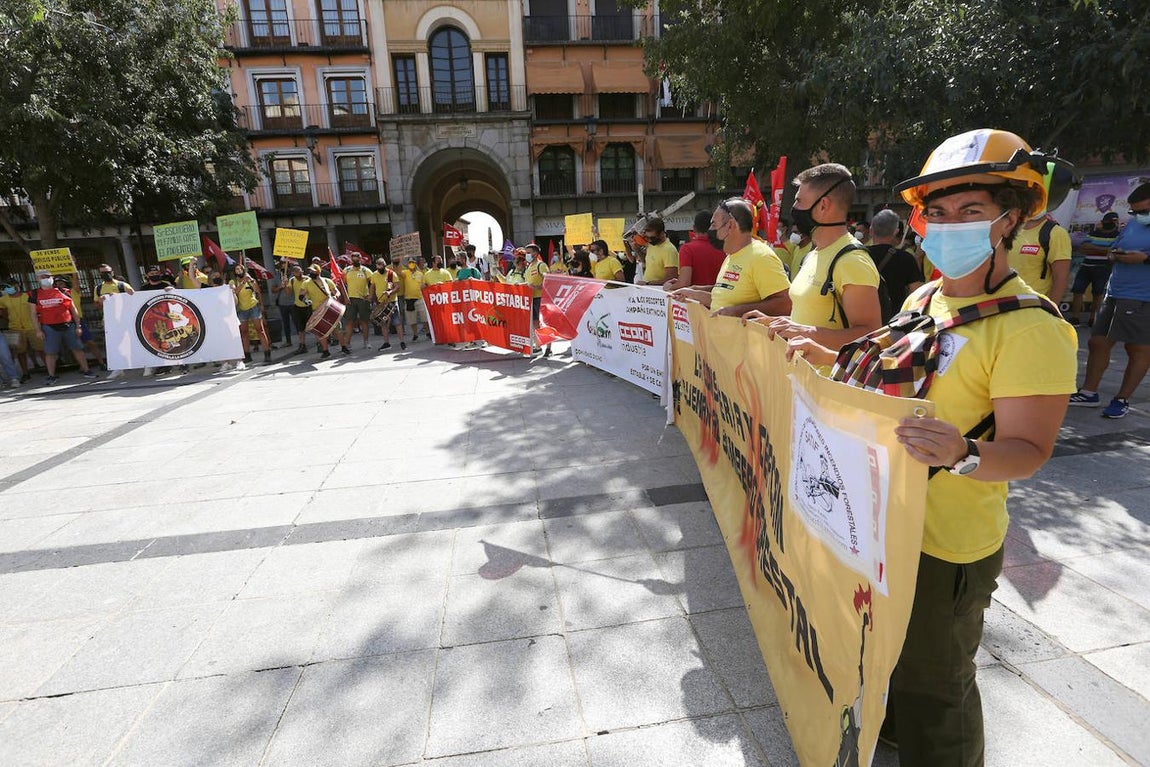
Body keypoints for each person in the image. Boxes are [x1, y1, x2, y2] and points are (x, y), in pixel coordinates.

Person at [782, 128, 1078, 765]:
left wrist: (962, 453)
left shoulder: (1032, 329)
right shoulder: (925, 295)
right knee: (891, 659)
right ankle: (893, 729)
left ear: (1013, 218)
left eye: (971, 212)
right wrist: (819, 354)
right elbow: (879, 359)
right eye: (937, 213)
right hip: (879, 520)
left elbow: (1029, 450)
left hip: (947, 541)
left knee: (940, 689)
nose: (949, 226)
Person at [762, 163, 882, 351]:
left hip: (828, 379)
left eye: (799, 201)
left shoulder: (852, 261)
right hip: (800, 377)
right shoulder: (813, 254)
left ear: (824, 205)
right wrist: (779, 322)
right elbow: (811, 318)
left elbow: (871, 336)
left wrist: (808, 333)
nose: (794, 208)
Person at [1068, 182, 1150, 418]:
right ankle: (1089, 392)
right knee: (1098, 342)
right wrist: (1115, 254)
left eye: (1143, 211)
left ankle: (1121, 400)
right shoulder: (1133, 223)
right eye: (1134, 211)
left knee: (1137, 348)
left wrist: (1143, 259)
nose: (1138, 216)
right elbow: (1116, 246)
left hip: (1143, 297)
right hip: (1115, 291)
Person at [671, 198, 791, 317]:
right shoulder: (731, 255)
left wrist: (738, 311)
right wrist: (692, 294)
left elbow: (785, 304)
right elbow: (723, 300)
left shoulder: (761, 256)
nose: (710, 230)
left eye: (713, 224)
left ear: (730, 225)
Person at [28, 269, 98, 385]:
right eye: (42, 277)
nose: (45, 279)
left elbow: (73, 310)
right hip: (49, 327)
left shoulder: (63, 291)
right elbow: (33, 314)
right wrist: (38, 330)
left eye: (47, 276)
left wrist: (78, 326)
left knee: (77, 349)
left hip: (68, 325)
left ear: (52, 278)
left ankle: (87, 371)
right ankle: (51, 375)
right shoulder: (34, 294)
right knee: (50, 353)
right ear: (38, 279)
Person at [867, 209, 925, 311]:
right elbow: (917, 294)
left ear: (871, 231)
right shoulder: (906, 258)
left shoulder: (860, 256)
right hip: (896, 319)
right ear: (896, 231)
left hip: (865, 319)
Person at [1006, 213, 1071, 302]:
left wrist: (1051, 311)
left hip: (1034, 307)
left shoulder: (1056, 233)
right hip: (1004, 305)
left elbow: (1061, 277)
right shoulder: (1006, 229)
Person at [1068, 212, 1118, 326]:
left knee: (1098, 293)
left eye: (1115, 221)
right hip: (1086, 266)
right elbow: (1083, 248)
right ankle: (1075, 318)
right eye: (1111, 221)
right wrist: (1104, 249)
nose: (1113, 223)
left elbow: (1113, 250)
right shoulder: (1093, 233)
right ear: (1104, 222)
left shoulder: (1118, 235)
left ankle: (1093, 319)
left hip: (1104, 268)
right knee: (1077, 290)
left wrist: (1094, 248)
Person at [665, 210, 726, 291]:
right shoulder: (724, 247)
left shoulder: (687, 249)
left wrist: (668, 287)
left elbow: (684, 283)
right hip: (719, 298)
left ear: (694, 228)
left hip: (695, 299)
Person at [229, 263, 272, 364]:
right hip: (241, 309)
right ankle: (247, 355)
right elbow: (235, 291)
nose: (239, 271)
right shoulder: (233, 281)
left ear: (244, 270)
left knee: (260, 330)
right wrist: (243, 282)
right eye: (237, 269)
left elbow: (257, 290)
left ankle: (267, 354)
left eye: (240, 269)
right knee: (244, 332)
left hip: (253, 307)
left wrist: (251, 281)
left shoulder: (249, 279)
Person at [0, 281, 41, 380]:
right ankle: (25, 373)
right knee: (20, 352)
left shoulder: (28, 296)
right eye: (5, 287)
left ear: (17, 286)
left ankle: (50, 371)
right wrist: (11, 319)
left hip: (32, 327)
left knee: (41, 349)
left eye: (9, 286)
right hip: (14, 328)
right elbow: (2, 312)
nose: (7, 289)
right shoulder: (2, 299)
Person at [301, 265, 341, 359]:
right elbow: (301, 295)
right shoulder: (306, 283)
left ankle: (343, 347)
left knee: (337, 329)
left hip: (329, 308)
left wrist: (336, 296)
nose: (311, 273)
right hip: (317, 310)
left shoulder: (327, 281)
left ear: (318, 272)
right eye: (310, 271)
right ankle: (325, 351)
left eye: (313, 271)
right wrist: (306, 301)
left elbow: (336, 291)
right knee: (320, 332)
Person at [340, 251, 373, 352]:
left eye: (357, 258)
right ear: (351, 259)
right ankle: (347, 343)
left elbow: (373, 283)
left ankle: (366, 341)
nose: (355, 260)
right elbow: (342, 284)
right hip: (350, 300)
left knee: (364, 321)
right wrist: (345, 297)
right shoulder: (346, 270)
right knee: (349, 322)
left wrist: (370, 295)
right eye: (353, 258)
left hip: (363, 299)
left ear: (361, 259)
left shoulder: (365, 270)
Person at [371, 257, 405, 351]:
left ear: (384, 266)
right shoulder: (374, 275)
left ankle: (402, 342)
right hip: (381, 302)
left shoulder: (391, 274)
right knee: (383, 323)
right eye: (378, 267)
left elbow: (397, 287)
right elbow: (372, 287)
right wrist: (371, 298)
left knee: (397, 322)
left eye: (381, 267)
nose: (379, 269)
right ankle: (386, 343)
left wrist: (390, 292)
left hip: (392, 302)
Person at [637, 216, 679, 285]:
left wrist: (648, 283)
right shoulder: (651, 245)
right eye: (647, 237)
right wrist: (636, 249)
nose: (650, 240)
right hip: (648, 290)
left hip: (658, 291)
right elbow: (646, 262)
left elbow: (672, 278)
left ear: (662, 234)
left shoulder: (669, 250)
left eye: (652, 238)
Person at [270, 264, 298, 350]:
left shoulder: (294, 277)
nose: (284, 269)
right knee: (286, 324)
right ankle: (288, 341)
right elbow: (273, 290)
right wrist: (280, 287)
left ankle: (302, 341)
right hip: (282, 304)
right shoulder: (277, 276)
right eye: (281, 267)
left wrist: (287, 284)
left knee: (297, 322)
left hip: (293, 303)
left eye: (285, 267)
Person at [401, 259, 428, 342]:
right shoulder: (405, 272)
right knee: (412, 320)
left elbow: (423, 284)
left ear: (415, 264)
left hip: (419, 298)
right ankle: (415, 334)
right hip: (409, 299)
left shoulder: (420, 273)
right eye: (410, 263)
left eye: (412, 263)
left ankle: (428, 332)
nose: (411, 264)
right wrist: (398, 260)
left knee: (424, 318)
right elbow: (398, 272)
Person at [287, 264, 312, 355]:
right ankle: (302, 345)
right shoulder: (292, 280)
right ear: (293, 274)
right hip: (298, 306)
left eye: (299, 272)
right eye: (296, 273)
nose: (298, 275)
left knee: (314, 326)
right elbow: (288, 293)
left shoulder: (308, 279)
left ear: (302, 272)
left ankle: (320, 344)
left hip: (309, 305)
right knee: (300, 328)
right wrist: (286, 285)